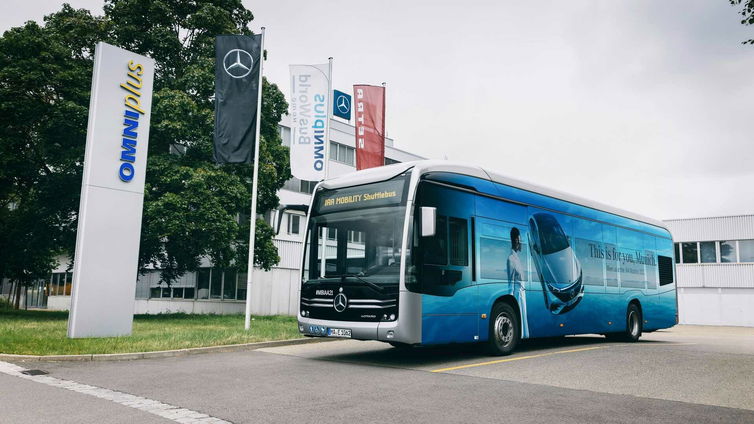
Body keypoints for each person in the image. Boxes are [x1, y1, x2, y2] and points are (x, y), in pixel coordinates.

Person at [507, 227, 530, 338]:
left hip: (522, 293)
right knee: (520, 317)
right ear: (514, 240)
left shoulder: (517, 258)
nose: (519, 242)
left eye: (519, 240)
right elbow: (510, 283)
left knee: (523, 317)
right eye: (517, 240)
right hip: (517, 295)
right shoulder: (511, 259)